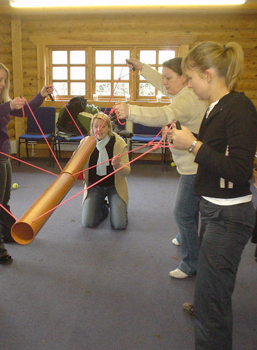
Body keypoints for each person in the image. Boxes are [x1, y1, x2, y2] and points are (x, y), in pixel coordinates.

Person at [169, 41, 257, 350]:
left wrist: (193, 145)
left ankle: (208, 315)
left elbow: (239, 170)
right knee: (210, 286)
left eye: (190, 78)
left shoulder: (239, 108)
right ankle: (206, 305)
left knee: (212, 301)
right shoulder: (215, 107)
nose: (189, 85)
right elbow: (215, 153)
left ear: (208, 75)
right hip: (214, 209)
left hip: (229, 216)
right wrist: (190, 142)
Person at [114, 57, 208, 279]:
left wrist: (131, 110)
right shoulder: (182, 91)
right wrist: (142, 68)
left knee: (183, 212)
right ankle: (186, 237)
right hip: (193, 166)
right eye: (164, 76)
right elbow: (161, 82)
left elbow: (165, 114)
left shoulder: (187, 99)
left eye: (169, 77)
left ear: (184, 78)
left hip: (195, 168)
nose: (164, 82)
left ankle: (189, 264)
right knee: (189, 209)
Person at [0, 61, 53, 265]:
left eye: (4, 80)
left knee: (3, 200)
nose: (2, 84)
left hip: (1, 157)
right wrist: (8, 105)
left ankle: (7, 234)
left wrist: (40, 95)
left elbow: (25, 111)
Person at [81, 112, 130, 230]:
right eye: (96, 126)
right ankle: (103, 207)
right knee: (88, 223)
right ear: (92, 128)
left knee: (119, 225)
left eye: (103, 126)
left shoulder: (118, 143)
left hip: (114, 187)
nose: (99, 129)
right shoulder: (85, 143)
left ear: (108, 127)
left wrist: (117, 165)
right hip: (94, 187)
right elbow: (75, 165)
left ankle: (118, 209)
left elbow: (127, 171)